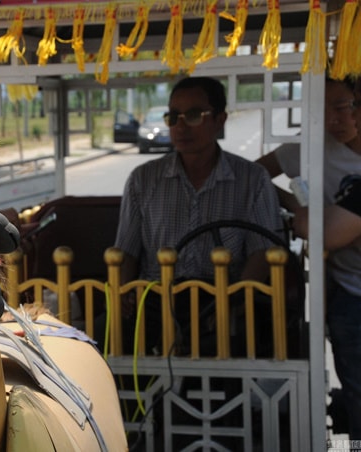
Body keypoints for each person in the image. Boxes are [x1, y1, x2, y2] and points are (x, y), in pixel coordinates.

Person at [115, 76, 283, 355]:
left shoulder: (252, 180)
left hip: (223, 298)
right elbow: (125, 253)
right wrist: (122, 294)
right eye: (173, 117)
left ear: (220, 120)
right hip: (156, 299)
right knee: (97, 339)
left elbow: (263, 253)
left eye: (193, 115)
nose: (180, 126)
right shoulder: (142, 180)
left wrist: (232, 301)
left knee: (255, 342)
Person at [291, 81, 361, 441]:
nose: (332, 119)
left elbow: (325, 231)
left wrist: (305, 216)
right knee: (355, 394)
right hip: (350, 294)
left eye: (342, 106)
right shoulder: (314, 151)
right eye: (320, 109)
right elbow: (254, 173)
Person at [256, 77, 360, 210]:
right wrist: (294, 204)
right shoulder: (311, 144)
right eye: (320, 110)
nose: (329, 120)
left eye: (340, 108)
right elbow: (253, 173)